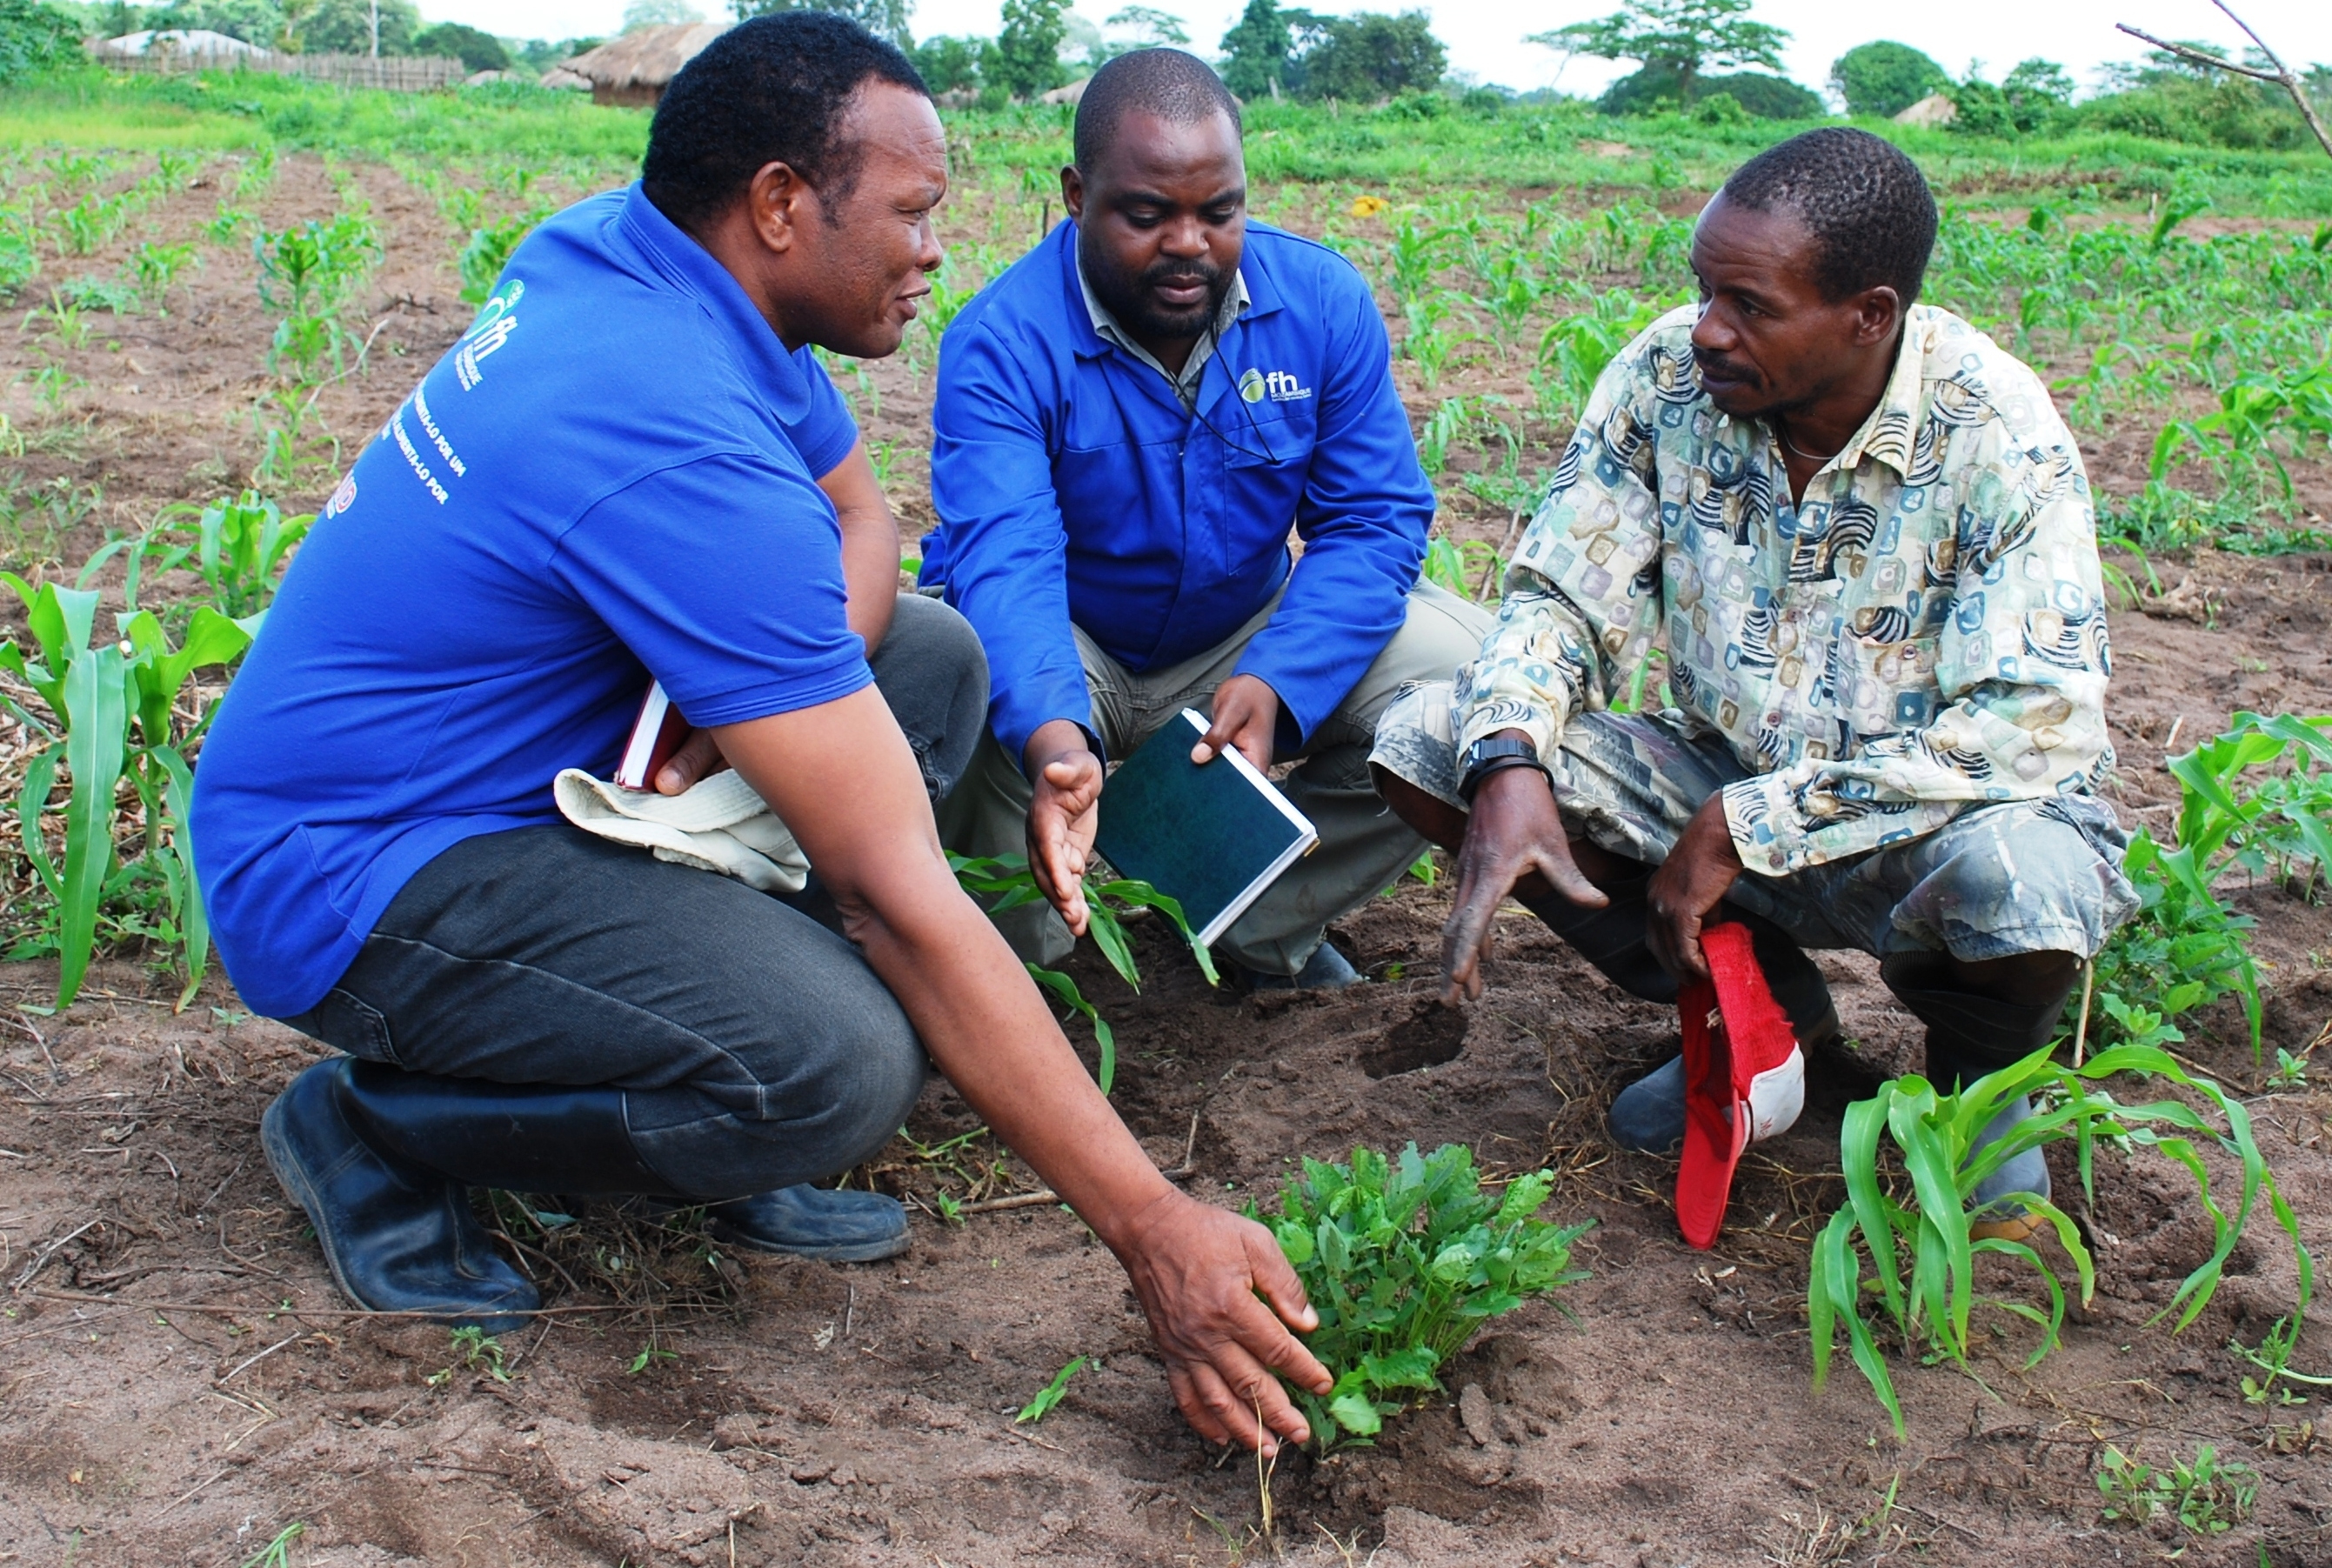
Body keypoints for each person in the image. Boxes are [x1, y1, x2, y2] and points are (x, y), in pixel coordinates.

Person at [190, 15, 1330, 1458]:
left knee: (931, 656)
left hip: (503, 771)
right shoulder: (657, 415)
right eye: (914, 215)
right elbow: (896, 901)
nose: (935, 250)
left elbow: (865, 517)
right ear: (785, 204)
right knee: (838, 1063)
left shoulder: (649, 255)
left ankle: (679, 1065)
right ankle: (380, 1125)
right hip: (356, 866)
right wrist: (1155, 1225)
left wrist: (747, 717)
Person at [1370, 128, 2135, 1238]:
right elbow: (1552, 596)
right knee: (1434, 741)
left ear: (1867, 314)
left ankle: (1977, 1101)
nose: (1707, 330)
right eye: (1701, 289)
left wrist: (1748, 824)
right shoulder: (1667, 379)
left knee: (2024, 881)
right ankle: (1763, 1021)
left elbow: (2031, 727)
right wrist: (1509, 758)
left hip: (1934, 818)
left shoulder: (1993, 432)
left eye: (1749, 305)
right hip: (1720, 764)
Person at [922, 48, 1492, 989]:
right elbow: (1005, 565)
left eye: (1217, 212)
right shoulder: (1002, 341)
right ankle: (1021, 967)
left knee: (1467, 682)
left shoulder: (1316, 303)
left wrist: (1280, 680)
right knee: (960, 668)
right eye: (1146, 215)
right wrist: (1056, 736)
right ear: (1076, 194)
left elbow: (1372, 519)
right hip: (1075, 645)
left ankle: (1250, 920)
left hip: (1241, 633)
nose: (1188, 243)